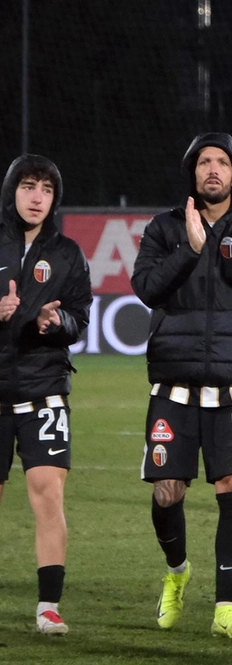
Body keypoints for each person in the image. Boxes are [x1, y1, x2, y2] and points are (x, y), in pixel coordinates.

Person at [132, 133, 232, 640]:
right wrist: (189, 249)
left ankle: (226, 606)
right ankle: (178, 572)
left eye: (222, 162)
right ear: (192, 172)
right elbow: (146, 289)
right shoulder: (164, 227)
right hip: (174, 381)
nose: (213, 170)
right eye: (204, 161)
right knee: (166, 492)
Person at [0, 155, 92, 636]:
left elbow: (81, 318)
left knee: (48, 496)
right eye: (29, 186)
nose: (37, 197)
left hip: (45, 390)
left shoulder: (69, 253)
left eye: (46, 190)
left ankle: (49, 607)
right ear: (11, 190)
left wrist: (57, 323)